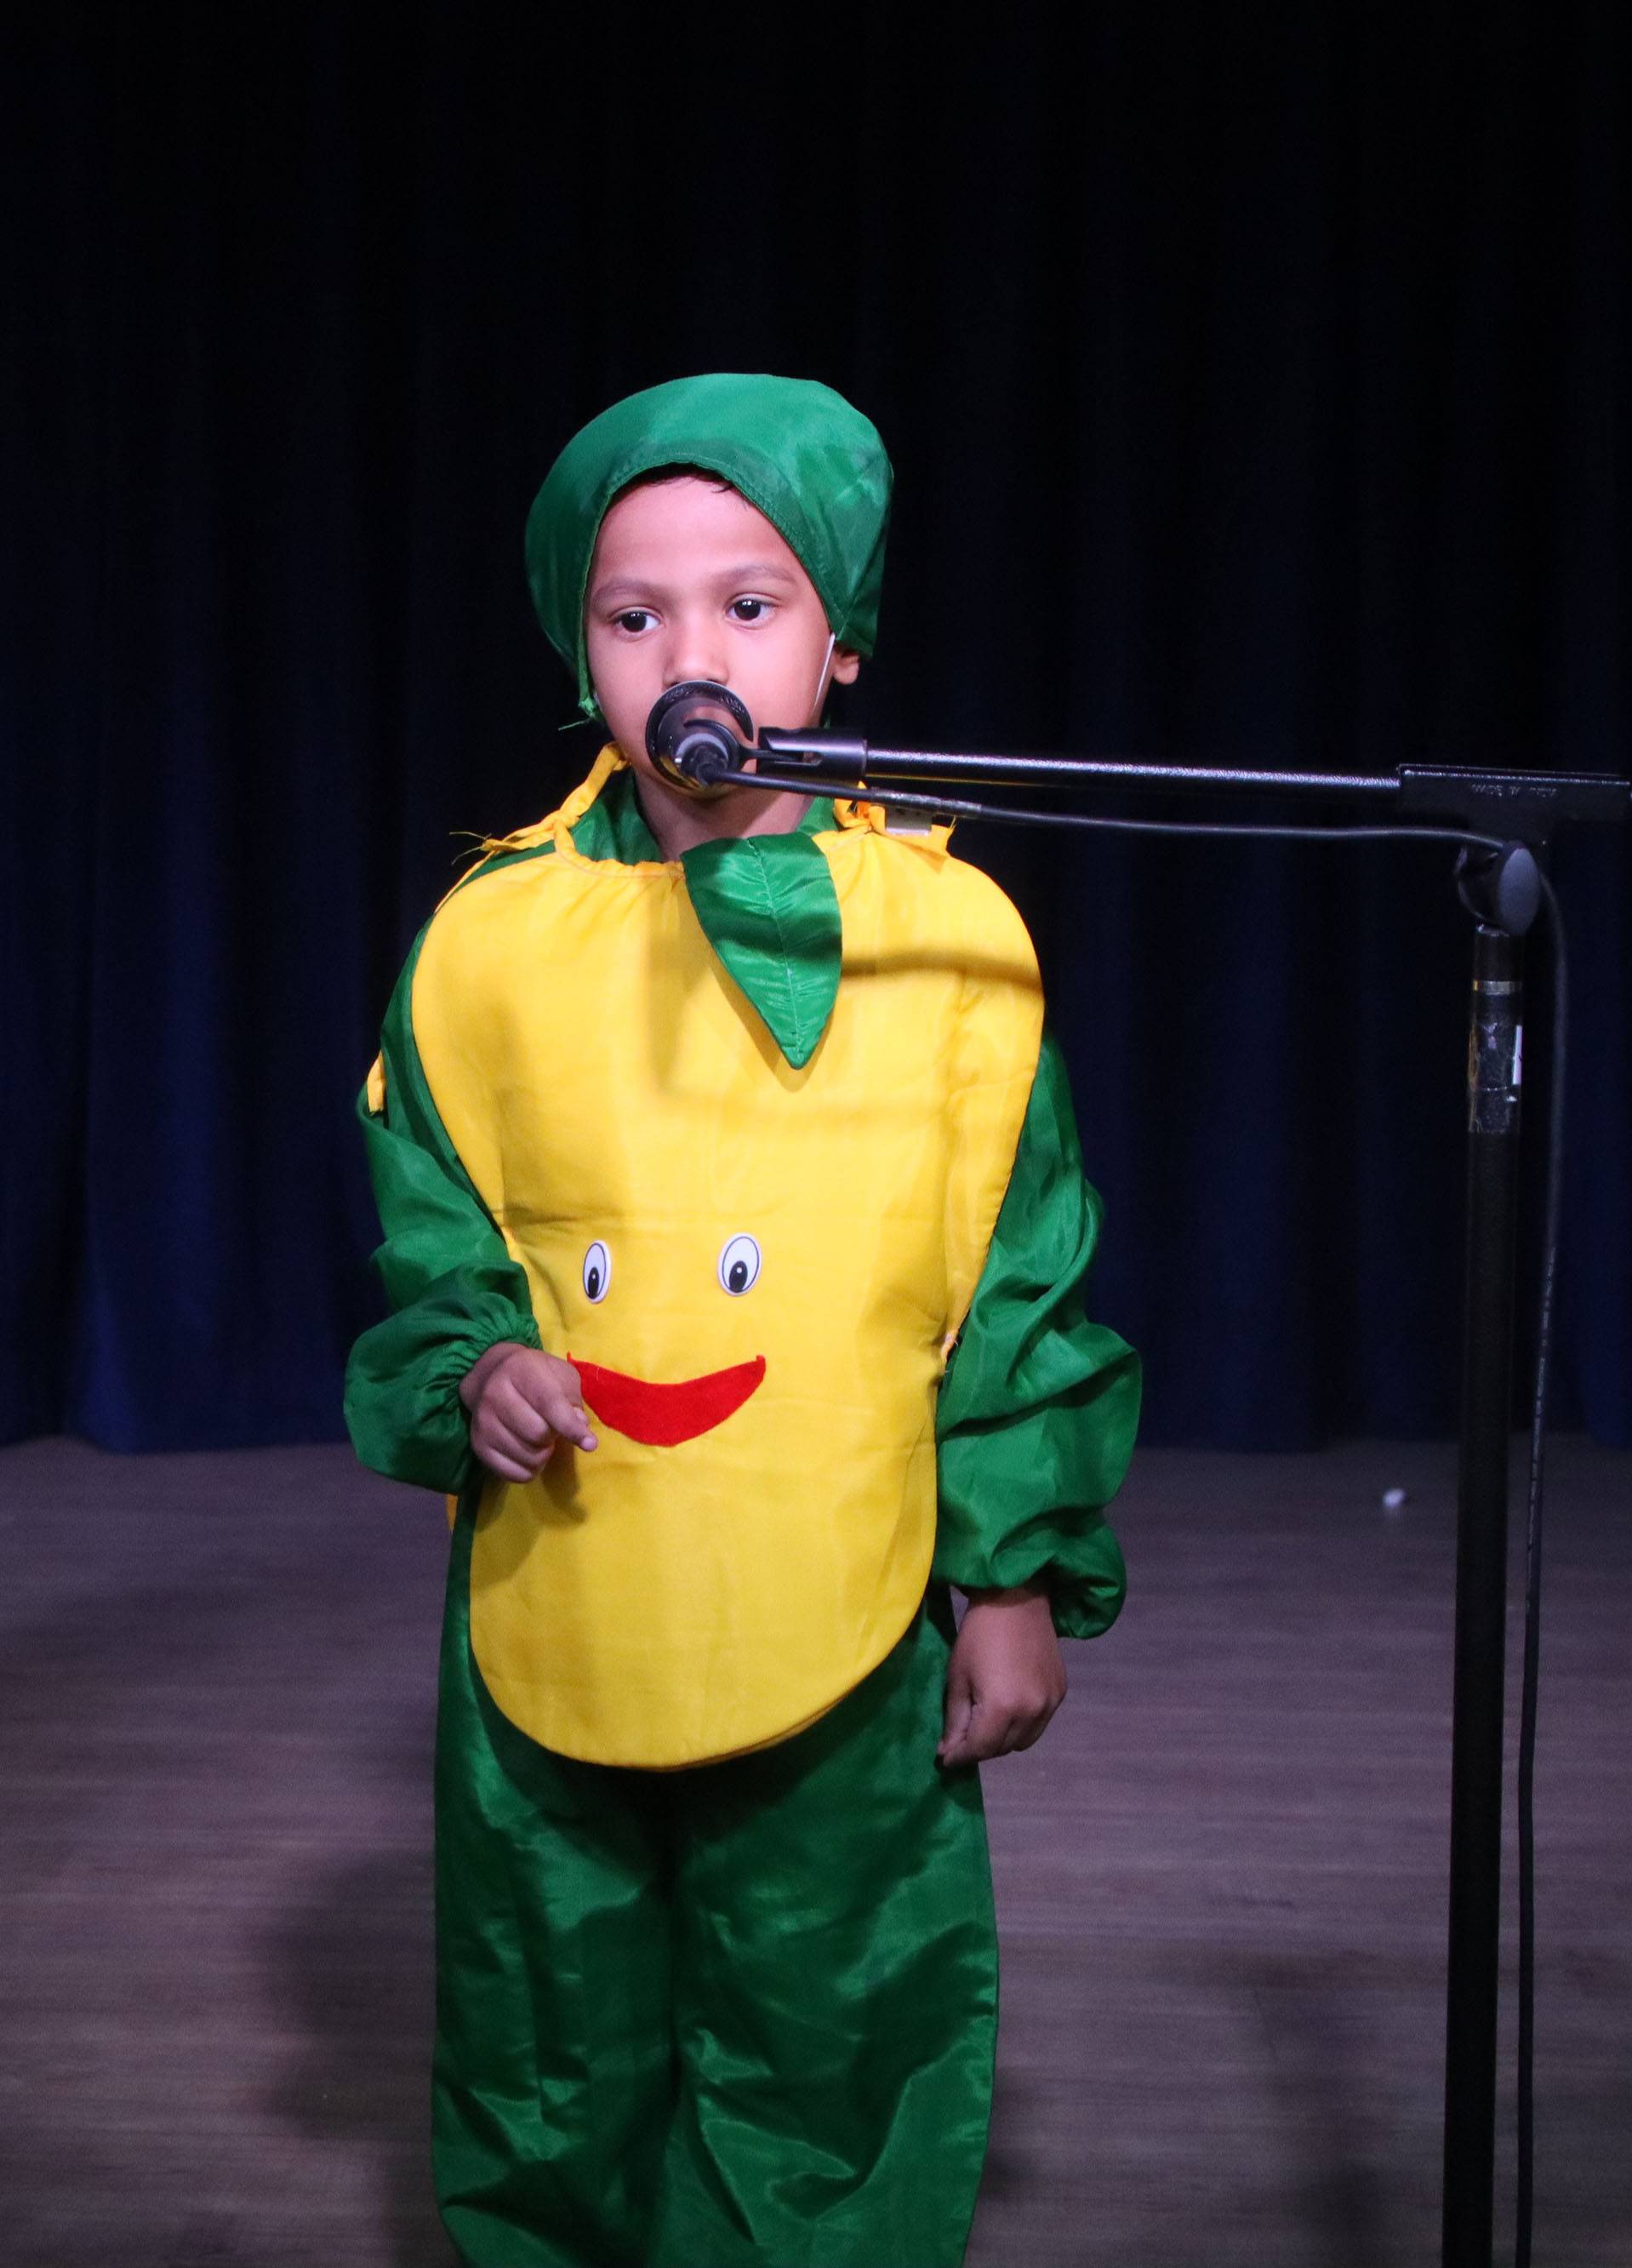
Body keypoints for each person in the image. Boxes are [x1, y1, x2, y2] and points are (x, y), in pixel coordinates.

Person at [345, 372, 1141, 2268]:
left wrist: (1010, 1576)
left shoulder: (943, 941)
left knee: (832, 2019)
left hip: (839, 1591)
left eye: (749, 603)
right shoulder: (491, 939)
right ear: (581, 652)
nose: (688, 653)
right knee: (550, 2028)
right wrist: (481, 1364)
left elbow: (1014, 1275)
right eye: (634, 615)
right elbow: (437, 1223)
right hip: (568, 1590)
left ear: (840, 641)